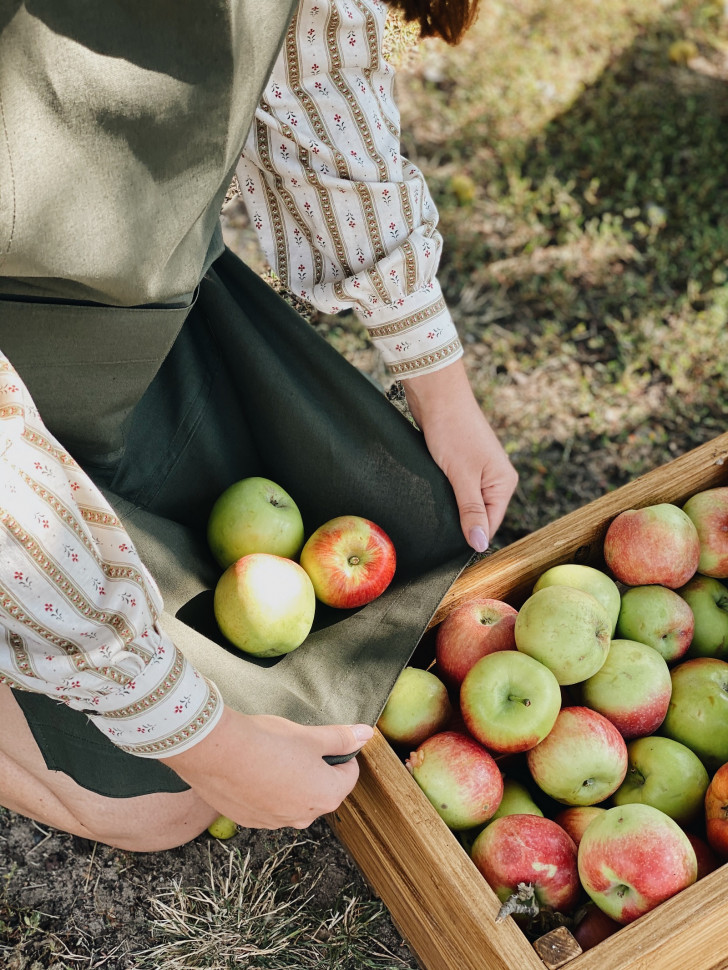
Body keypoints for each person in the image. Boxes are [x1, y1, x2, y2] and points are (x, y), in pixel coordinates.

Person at [0, 0, 517, 851]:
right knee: (157, 804)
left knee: (422, 526)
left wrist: (439, 381)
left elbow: (313, 74)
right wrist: (203, 738)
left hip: (128, 325)